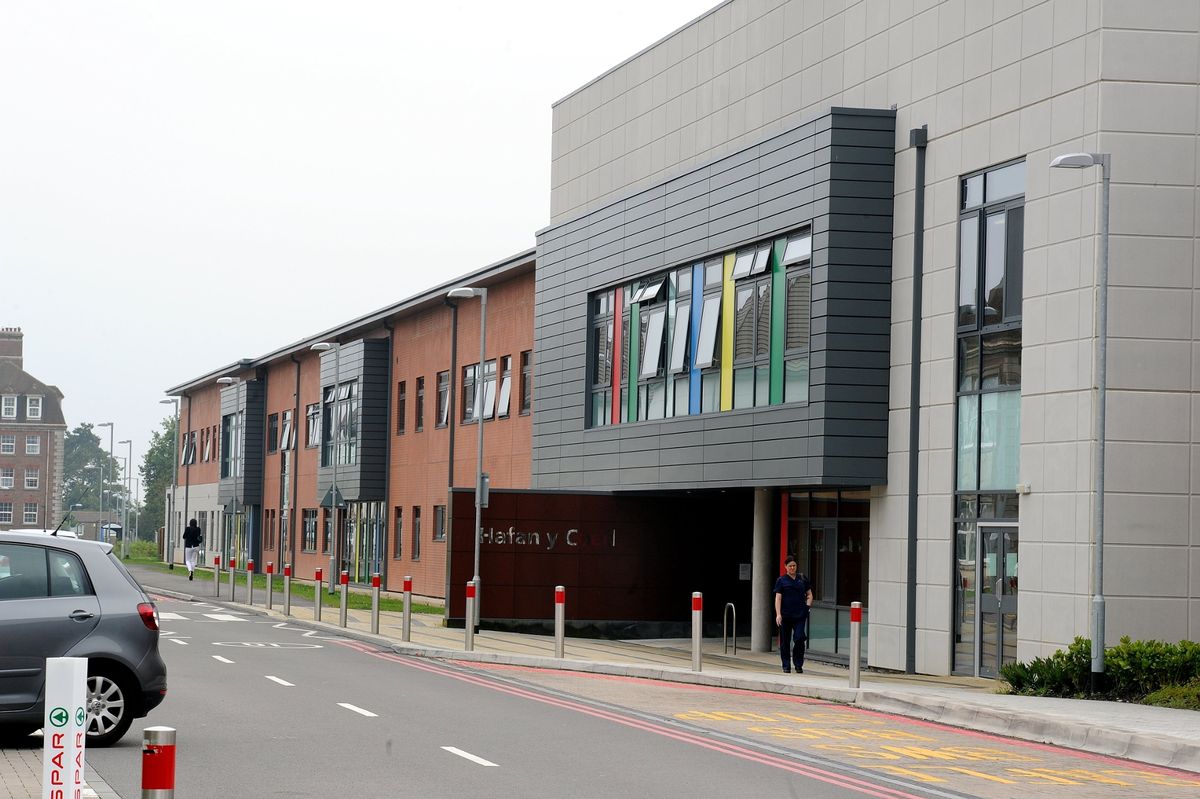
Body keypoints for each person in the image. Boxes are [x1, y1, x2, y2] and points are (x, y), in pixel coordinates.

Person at [774, 554, 813, 674]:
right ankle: (786, 665)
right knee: (785, 642)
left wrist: (807, 607)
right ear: (785, 567)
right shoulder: (781, 580)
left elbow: (810, 595)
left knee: (799, 638)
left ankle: (798, 664)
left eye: (794, 566)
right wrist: (778, 614)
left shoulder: (802, 579)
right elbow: (778, 598)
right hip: (785, 615)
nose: (792, 568)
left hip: (800, 615)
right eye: (790, 566)